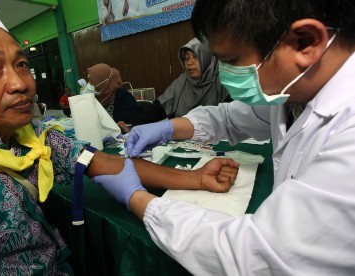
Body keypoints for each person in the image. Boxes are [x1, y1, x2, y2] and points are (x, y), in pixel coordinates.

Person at [0, 0, 238, 274]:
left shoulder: (32, 135)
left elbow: (103, 163)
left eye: (22, 64)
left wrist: (195, 178)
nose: (21, 83)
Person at [92, 0, 355, 274]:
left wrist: (138, 199)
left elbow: (254, 253)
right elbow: (231, 117)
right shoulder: (294, 93)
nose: (225, 74)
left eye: (232, 62)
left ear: (305, 42)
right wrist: (169, 127)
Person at [117, 37, 230, 133]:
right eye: (186, 58)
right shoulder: (182, 81)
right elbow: (158, 109)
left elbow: (232, 119)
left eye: (195, 56)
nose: (189, 62)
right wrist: (132, 126)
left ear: (207, 57)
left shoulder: (224, 81)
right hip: (185, 140)